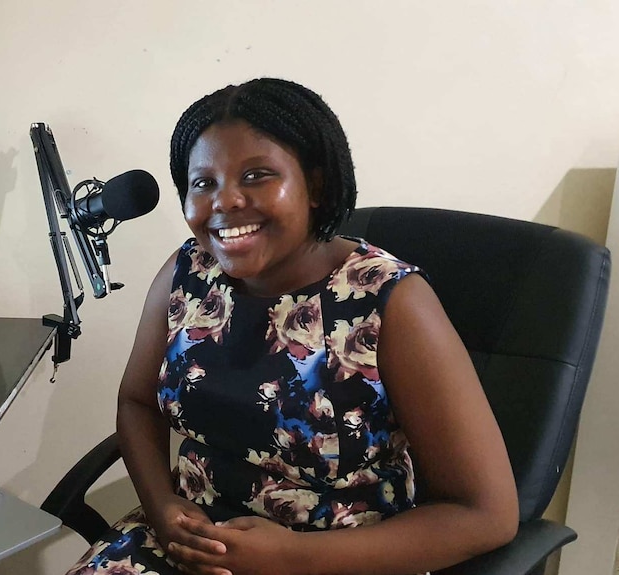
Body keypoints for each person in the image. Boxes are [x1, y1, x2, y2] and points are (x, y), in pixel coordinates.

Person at [65, 78, 518, 575]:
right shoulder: (188, 272)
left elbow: (486, 516)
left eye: (257, 175)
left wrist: (291, 557)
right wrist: (163, 508)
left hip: (337, 558)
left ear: (316, 186)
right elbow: (136, 402)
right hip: (189, 545)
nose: (225, 201)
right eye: (203, 182)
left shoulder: (390, 301)